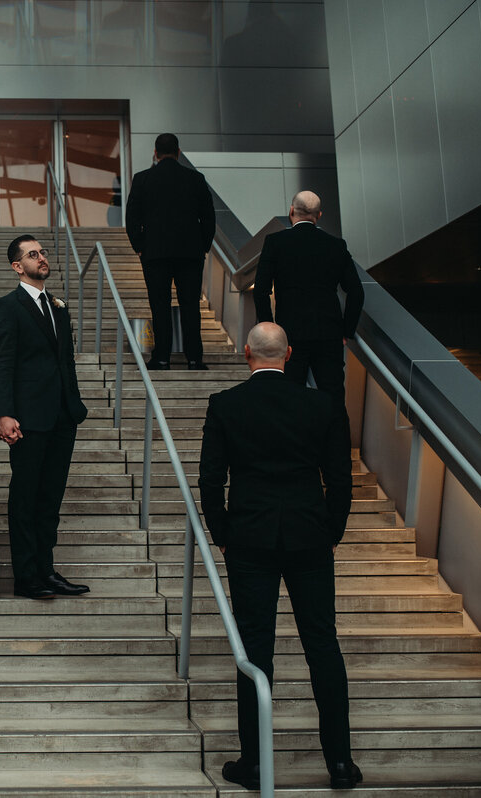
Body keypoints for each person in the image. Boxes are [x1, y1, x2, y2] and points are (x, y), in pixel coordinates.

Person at [197, 322, 361, 791]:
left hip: (250, 539)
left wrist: (223, 533)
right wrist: (332, 530)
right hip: (310, 537)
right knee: (322, 645)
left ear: (247, 352)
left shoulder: (226, 404)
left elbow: (211, 481)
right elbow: (341, 480)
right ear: (288, 354)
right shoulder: (322, 404)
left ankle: (253, 763)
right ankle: (341, 764)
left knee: (255, 650)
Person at [0, 236, 89, 600]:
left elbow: (66, 361)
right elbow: (3, 363)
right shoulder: (8, 307)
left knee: (50, 499)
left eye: (43, 252)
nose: (42, 258)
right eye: (33, 254)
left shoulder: (58, 307)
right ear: (17, 266)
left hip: (63, 416)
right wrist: (4, 413)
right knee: (26, 498)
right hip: (28, 418)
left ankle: (47, 571)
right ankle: (26, 577)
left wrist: (74, 405)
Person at [253, 190, 364, 418]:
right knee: (333, 399)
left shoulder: (275, 243)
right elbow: (356, 291)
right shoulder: (336, 245)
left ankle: (294, 451)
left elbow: (261, 291)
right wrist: (346, 331)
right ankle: (337, 452)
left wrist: (269, 328)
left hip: (290, 334)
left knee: (291, 398)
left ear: (291, 211)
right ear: (319, 215)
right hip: (329, 334)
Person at [124, 132, 216, 370]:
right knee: (190, 305)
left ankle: (162, 357)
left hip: (155, 254)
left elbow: (132, 217)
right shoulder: (195, 179)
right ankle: (194, 358)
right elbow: (208, 218)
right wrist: (202, 247)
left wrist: (140, 246)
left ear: (155, 153)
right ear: (178, 152)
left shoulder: (143, 179)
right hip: (190, 254)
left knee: (159, 304)